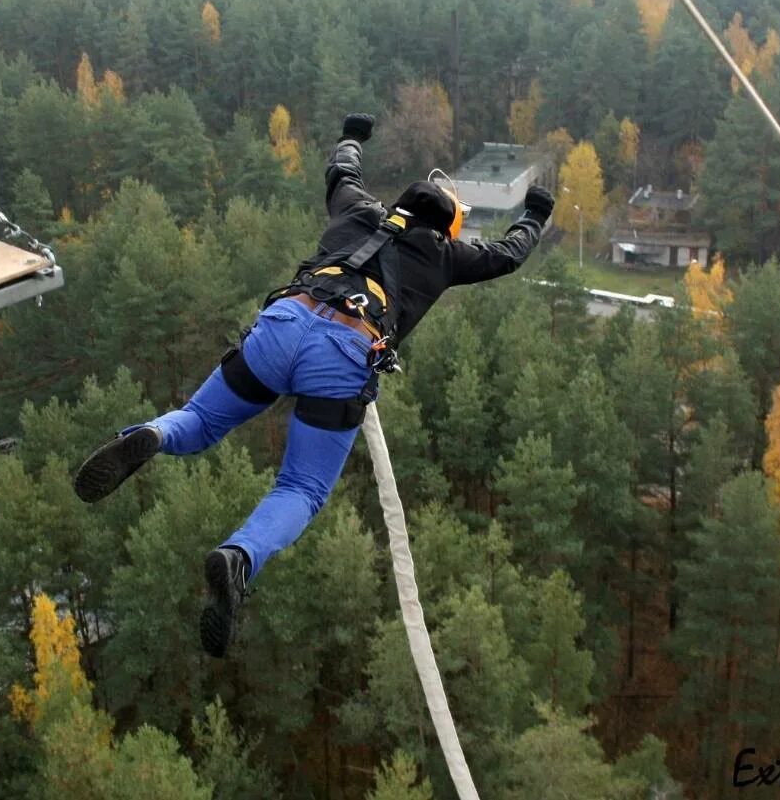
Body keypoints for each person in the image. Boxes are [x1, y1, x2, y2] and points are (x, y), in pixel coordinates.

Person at [75, 113, 555, 658]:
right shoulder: (444, 255)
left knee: (201, 420)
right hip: (345, 349)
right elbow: (510, 254)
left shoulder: (357, 209)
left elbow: (341, 169)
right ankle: (238, 557)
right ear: (446, 227)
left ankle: (151, 436)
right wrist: (535, 212)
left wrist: (353, 134)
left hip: (285, 322)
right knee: (301, 487)